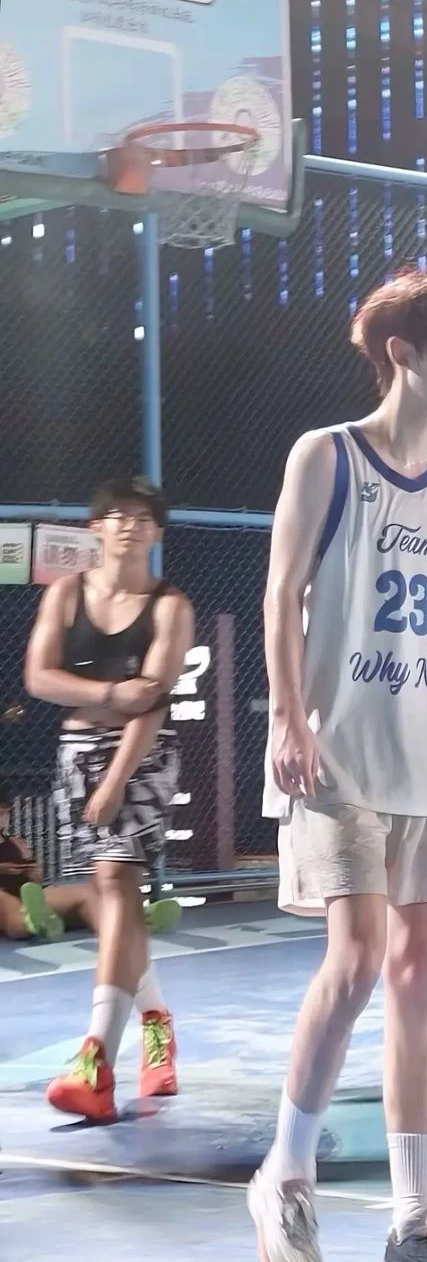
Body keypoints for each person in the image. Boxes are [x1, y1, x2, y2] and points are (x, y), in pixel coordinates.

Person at [248, 268, 427, 1262]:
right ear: (399, 354)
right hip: (336, 753)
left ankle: (413, 1218)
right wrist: (286, 716)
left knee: (415, 975)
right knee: (358, 959)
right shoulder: (326, 456)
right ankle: (285, 1174)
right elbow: (281, 590)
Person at [24, 476, 194, 1122]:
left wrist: (117, 777)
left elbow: (152, 701)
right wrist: (107, 694)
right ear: (96, 528)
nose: (129, 524)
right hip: (75, 750)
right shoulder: (67, 594)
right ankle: (156, 1021)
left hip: (140, 755)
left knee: (117, 881)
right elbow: (39, 677)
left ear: (157, 533)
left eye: (142, 517)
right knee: (109, 896)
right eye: (117, 515)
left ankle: (96, 1058)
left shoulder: (170, 606)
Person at [0, 793, 182, 943]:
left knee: (86, 894)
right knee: (9, 910)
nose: (3, 818)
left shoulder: (17, 842)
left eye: (5, 813)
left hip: (30, 894)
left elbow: (36, 880)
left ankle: (131, 923)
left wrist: (34, 873)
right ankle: (33, 923)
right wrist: (4, 870)